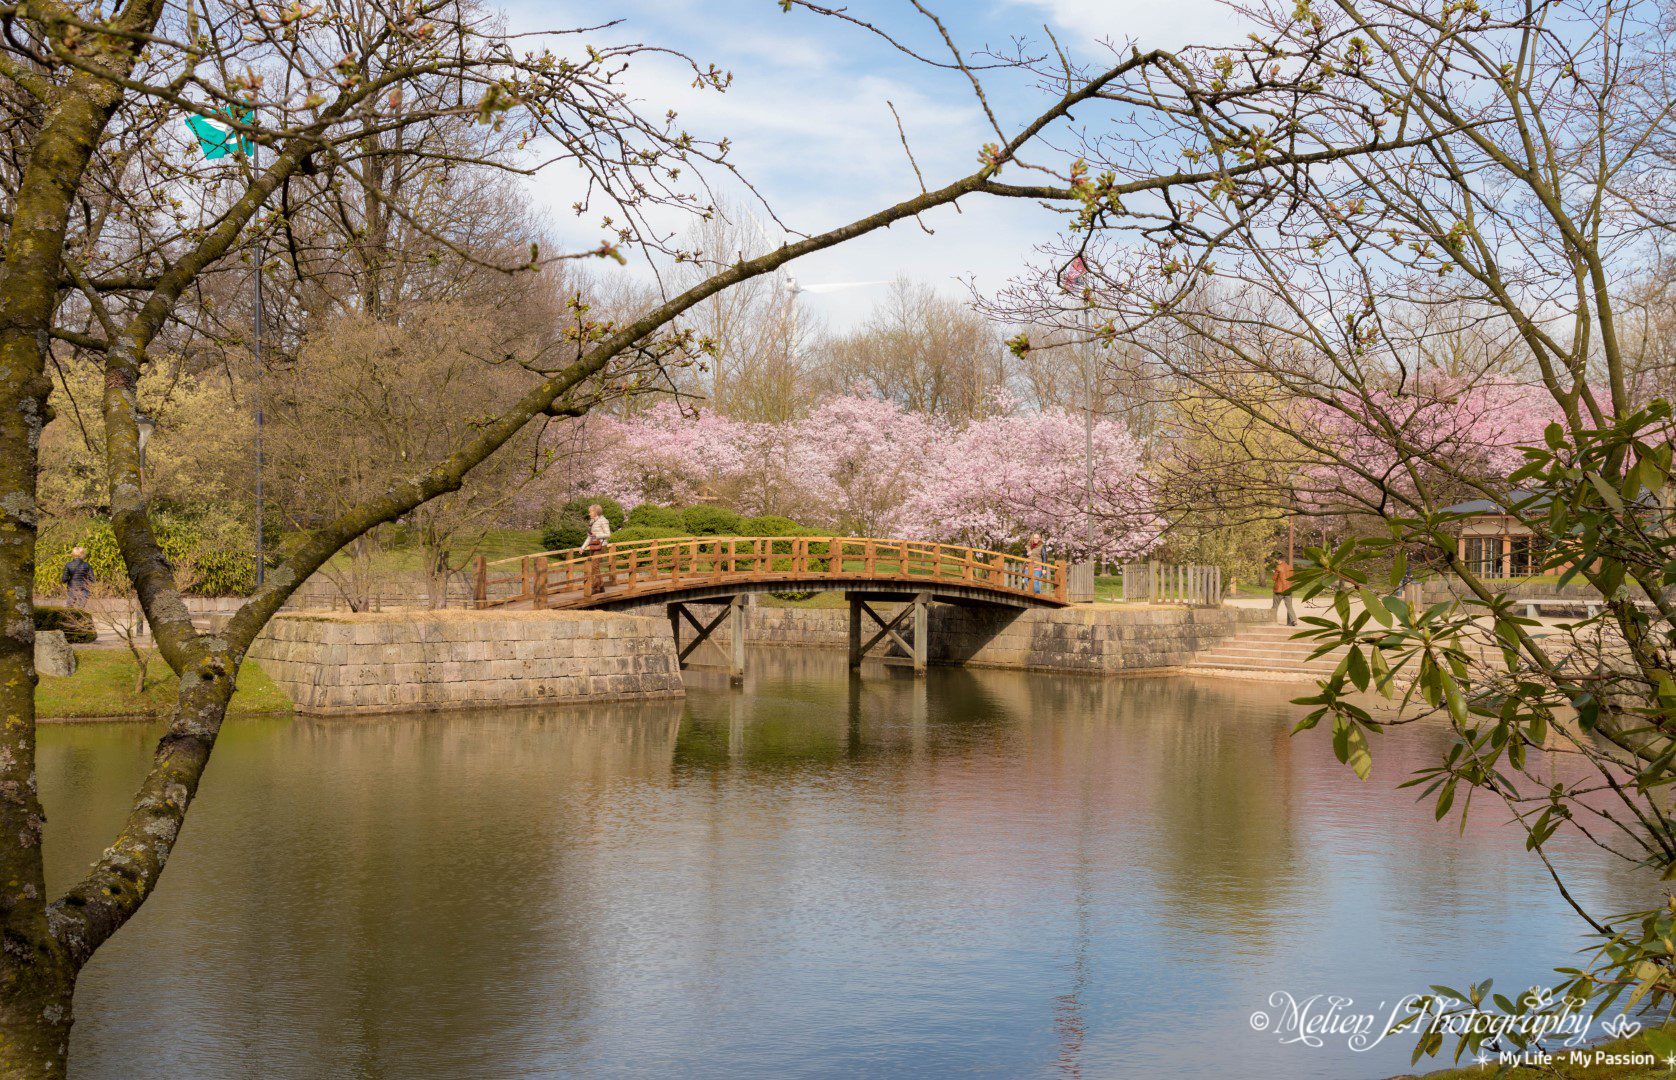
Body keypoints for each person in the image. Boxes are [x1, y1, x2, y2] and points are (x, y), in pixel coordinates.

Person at [579, 504, 612, 595]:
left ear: (596, 512)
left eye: (590, 512)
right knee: (595, 566)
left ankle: (596, 587)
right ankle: (601, 586)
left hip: (601, 546)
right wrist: (583, 547)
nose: (589, 513)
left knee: (594, 566)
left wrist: (597, 536)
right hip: (593, 546)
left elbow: (608, 534)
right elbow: (589, 537)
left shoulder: (603, 521)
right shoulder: (591, 522)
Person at [1271, 557, 1297, 627]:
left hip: (1279, 590)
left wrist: (1274, 573)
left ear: (1280, 560)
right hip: (1288, 590)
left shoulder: (1278, 567)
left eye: (1278, 561)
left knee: (1275, 606)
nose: (1277, 562)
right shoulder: (1290, 567)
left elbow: (1274, 578)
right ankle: (1293, 620)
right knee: (1289, 606)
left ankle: (1271, 620)